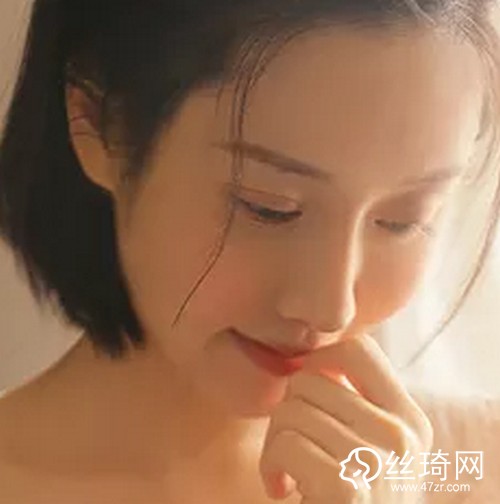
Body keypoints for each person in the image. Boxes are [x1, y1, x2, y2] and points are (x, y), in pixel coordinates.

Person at [0, 0, 498, 502]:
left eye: (402, 220)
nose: (330, 309)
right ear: (99, 124)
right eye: (270, 208)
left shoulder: (473, 468)